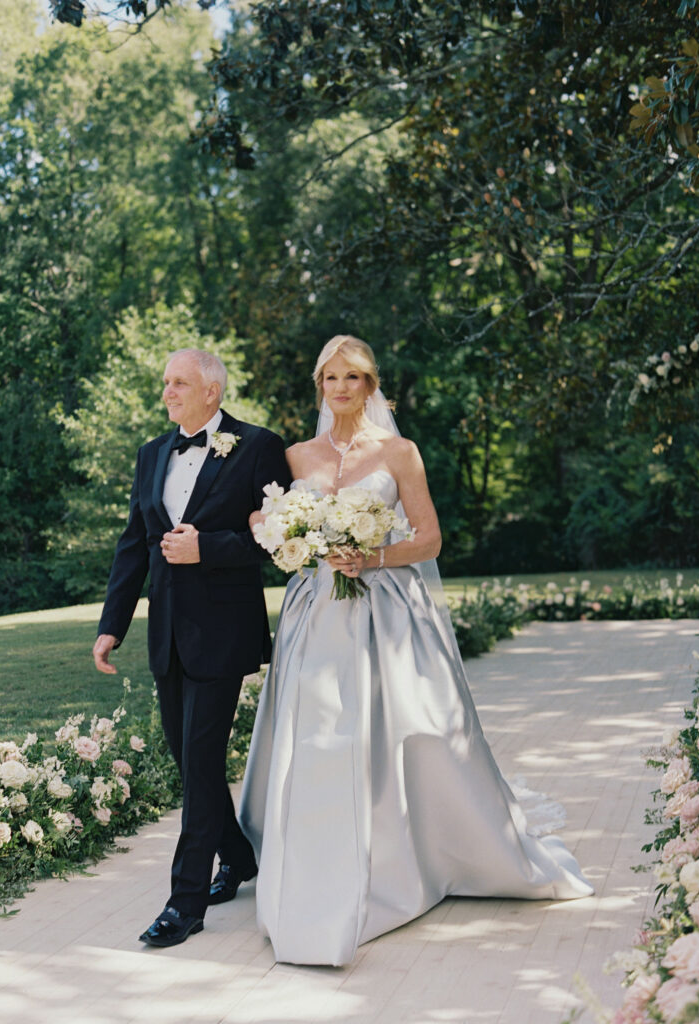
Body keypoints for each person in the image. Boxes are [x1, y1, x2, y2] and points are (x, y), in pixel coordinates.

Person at [237, 334, 593, 967]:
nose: (341, 388)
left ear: (371, 386)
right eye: (330, 378)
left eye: (353, 378)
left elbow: (427, 539)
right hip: (315, 613)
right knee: (320, 735)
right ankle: (315, 855)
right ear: (319, 386)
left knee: (399, 731)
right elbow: (261, 518)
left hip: (386, 612)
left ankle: (409, 851)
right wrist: (291, 538)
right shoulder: (294, 457)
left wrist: (370, 555)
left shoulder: (399, 452)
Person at [93, 347, 291, 948]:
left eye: (178, 382)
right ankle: (239, 857)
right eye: (165, 384)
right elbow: (135, 544)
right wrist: (112, 624)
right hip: (168, 632)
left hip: (224, 631)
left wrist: (210, 548)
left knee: (200, 761)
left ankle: (185, 905)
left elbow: (280, 538)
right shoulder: (153, 453)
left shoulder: (258, 445)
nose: (167, 393)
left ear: (212, 389)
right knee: (188, 760)